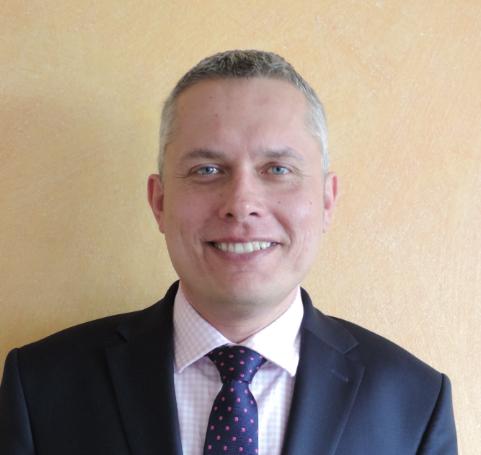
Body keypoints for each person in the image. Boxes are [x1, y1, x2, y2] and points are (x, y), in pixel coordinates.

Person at [0, 50, 457, 455]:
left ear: (326, 201)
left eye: (277, 169)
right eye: (207, 169)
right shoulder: (40, 386)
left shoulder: (415, 402)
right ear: (159, 202)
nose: (241, 203)